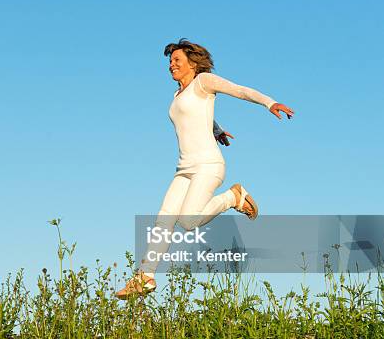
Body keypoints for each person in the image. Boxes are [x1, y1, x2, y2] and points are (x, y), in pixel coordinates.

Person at [115, 39, 294, 299]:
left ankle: (234, 197)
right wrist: (217, 129)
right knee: (163, 220)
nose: (171, 65)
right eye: (170, 61)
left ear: (193, 63)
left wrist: (270, 103)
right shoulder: (178, 95)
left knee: (188, 221)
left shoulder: (204, 82)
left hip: (208, 165)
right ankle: (145, 276)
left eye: (177, 60)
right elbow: (197, 115)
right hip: (184, 168)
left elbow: (239, 90)